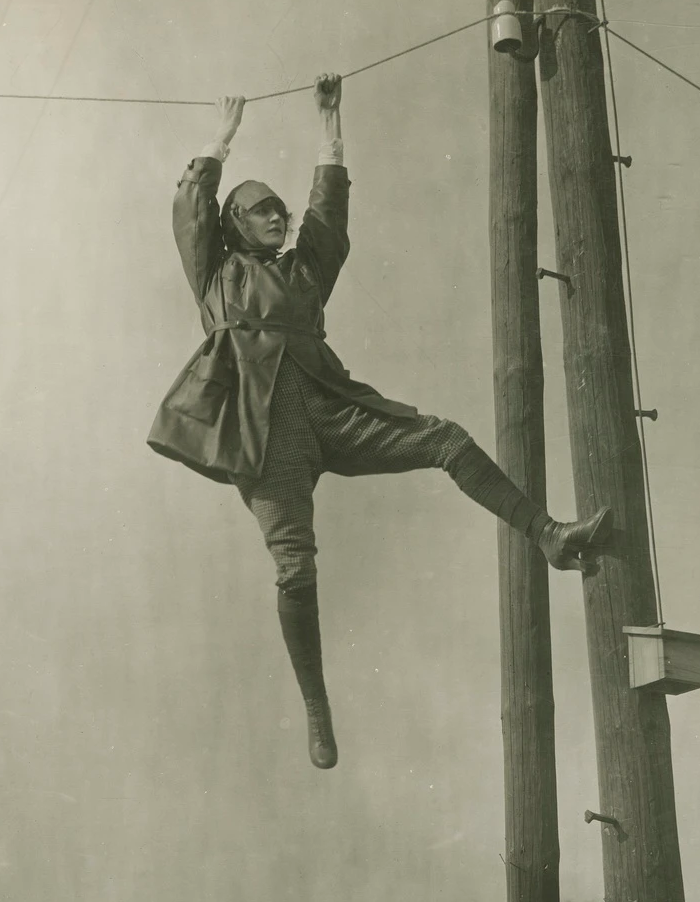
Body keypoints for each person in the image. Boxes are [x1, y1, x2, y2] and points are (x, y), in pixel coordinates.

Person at [149, 74, 611, 770]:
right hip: (260, 433)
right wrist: (221, 139)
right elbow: (190, 206)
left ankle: (546, 533)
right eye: (262, 211)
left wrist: (330, 127)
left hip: (331, 409)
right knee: (295, 566)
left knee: (446, 439)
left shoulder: (301, 275)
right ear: (235, 225)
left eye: (281, 208)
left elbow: (328, 224)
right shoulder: (215, 277)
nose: (278, 218)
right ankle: (316, 705)